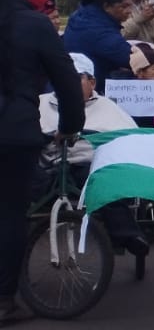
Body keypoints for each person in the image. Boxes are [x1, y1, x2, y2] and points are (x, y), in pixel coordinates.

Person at [1, 0, 85, 325]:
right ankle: (4, 300)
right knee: (8, 214)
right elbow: (66, 80)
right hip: (14, 132)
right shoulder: (34, 25)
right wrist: (70, 125)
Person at [36, 52, 146, 258]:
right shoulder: (40, 103)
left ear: (92, 82)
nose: (66, 84)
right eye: (61, 78)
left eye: (75, 78)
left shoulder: (108, 107)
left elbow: (131, 137)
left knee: (106, 187)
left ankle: (128, 236)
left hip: (89, 167)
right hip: (48, 166)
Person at [62, 0, 135, 89]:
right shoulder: (99, 30)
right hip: (92, 87)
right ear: (106, 6)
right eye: (124, 6)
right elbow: (132, 59)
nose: (129, 11)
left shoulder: (81, 15)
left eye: (130, 6)